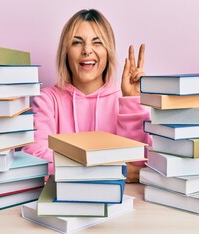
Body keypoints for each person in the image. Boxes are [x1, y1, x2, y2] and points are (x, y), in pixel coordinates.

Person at [22, 9, 151, 182]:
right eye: (76, 42)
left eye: (97, 42)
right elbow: (37, 159)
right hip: (64, 200)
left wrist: (131, 101)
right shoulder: (46, 100)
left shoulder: (123, 101)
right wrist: (116, 170)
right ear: (65, 52)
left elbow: (140, 163)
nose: (87, 50)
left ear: (108, 51)